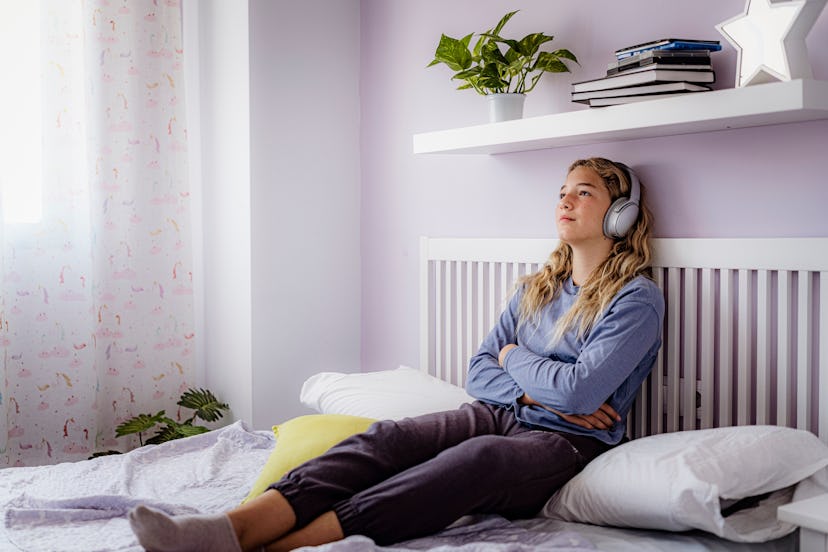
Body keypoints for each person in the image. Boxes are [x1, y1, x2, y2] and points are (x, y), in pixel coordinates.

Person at [128, 157, 665, 552]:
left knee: (473, 461)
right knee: (388, 438)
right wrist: (525, 382)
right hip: (499, 412)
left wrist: (512, 358)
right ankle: (232, 527)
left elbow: (578, 394)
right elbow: (478, 374)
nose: (565, 201)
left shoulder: (636, 299)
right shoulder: (534, 289)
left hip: (566, 441)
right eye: (562, 192)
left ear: (619, 215)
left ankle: (291, 546)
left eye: (585, 192)